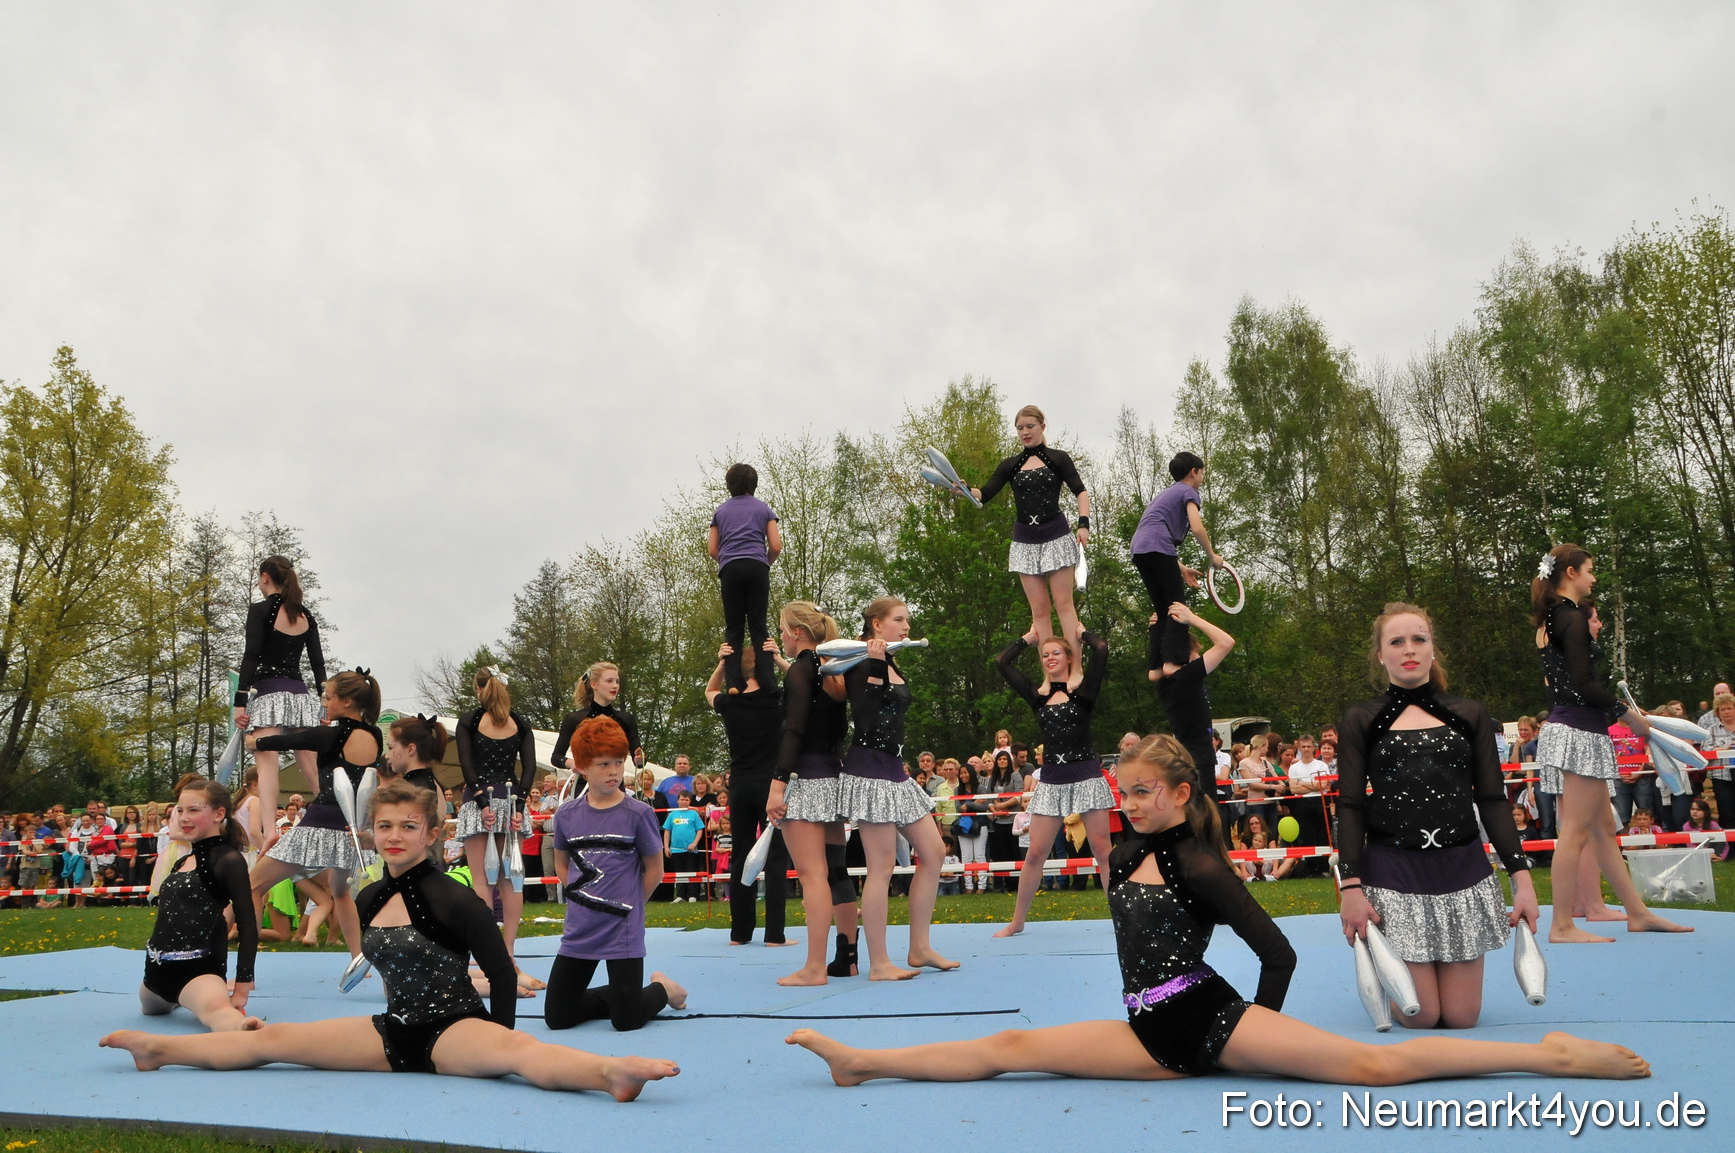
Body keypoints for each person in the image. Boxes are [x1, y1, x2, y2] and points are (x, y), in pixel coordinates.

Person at [785, 734, 1650, 1088]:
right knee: (1009, 1048)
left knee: (1365, 1068)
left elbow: (1276, 950)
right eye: (1122, 793)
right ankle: (861, 1059)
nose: (1126, 804)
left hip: (1202, 1023)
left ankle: (1547, 1055)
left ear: (1182, 791)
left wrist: (1249, 1033)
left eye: (1143, 793)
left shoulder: (1201, 861)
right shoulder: (1125, 851)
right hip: (1143, 1027)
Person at [101, 780, 682, 1100]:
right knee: (273, 1041)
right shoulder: (373, 895)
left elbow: (500, 972)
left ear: (431, 834)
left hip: (454, 1030)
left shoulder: (456, 898)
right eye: (385, 826)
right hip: (391, 1030)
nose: (395, 836)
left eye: (409, 827)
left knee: (526, 1057)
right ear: (370, 833)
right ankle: (160, 1052)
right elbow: (363, 951)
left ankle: (612, 1073)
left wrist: (497, 1036)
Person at [1335, 603, 1541, 1029]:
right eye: (1397, 641)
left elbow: (1491, 798)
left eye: (1419, 639)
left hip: (1462, 871)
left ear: (1433, 649)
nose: (1408, 649)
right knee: (1421, 1017)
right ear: (1381, 655)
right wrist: (1351, 888)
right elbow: (1351, 804)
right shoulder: (1361, 718)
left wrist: (1521, 880)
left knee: (1463, 1017)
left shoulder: (1470, 713)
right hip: (1394, 874)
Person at [1532, 545, 1689, 942]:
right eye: (1590, 571)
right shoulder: (1570, 618)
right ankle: (1563, 924)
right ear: (1570, 572)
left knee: (1603, 827)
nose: (1593, 577)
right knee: (1576, 833)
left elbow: (1563, 683)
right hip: (1579, 732)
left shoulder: (1552, 619)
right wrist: (1628, 714)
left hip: (1575, 728)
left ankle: (1637, 911)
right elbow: (1583, 684)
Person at [837, 596, 957, 979]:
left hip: (893, 769)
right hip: (869, 770)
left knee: (935, 852)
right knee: (882, 866)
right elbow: (866, 720)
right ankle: (879, 964)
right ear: (876, 624)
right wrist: (873, 664)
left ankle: (919, 947)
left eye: (907, 619)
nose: (906, 626)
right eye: (899, 620)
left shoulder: (890, 659)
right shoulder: (860, 661)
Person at [546, 716, 688, 1031]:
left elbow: (655, 869)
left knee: (626, 1021)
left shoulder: (638, 813)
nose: (613, 772)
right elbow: (561, 862)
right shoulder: (567, 815)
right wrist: (579, 897)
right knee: (558, 1018)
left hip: (622, 928)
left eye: (617, 763)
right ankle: (623, 995)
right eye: (603, 764)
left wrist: (632, 903)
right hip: (580, 928)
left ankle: (662, 989)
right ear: (581, 766)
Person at [246, 669, 384, 970]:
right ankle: (359, 959)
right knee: (341, 892)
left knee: (252, 887)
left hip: (320, 825)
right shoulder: (375, 735)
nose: (325, 702)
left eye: (330, 697)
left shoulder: (330, 734)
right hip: (351, 827)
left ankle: (246, 969)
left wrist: (254, 741)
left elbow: (288, 740)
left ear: (346, 702)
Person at [991, 628, 1115, 936]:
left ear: (1069, 658)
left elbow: (1101, 649)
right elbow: (1002, 662)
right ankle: (1018, 921)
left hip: (1086, 776)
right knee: (1035, 853)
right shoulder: (1038, 695)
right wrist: (1028, 639)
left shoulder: (1084, 692)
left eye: (1056, 653)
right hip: (1052, 781)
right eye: (1045, 655)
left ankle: (1121, 917)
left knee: (1102, 851)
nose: (1049, 658)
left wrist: (1082, 634)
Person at [765, 602, 863, 985]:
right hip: (834, 778)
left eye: (785, 631)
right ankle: (847, 958)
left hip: (805, 782)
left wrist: (777, 785)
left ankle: (814, 967)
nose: (783, 637)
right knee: (836, 871)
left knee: (812, 877)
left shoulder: (805, 670)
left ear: (799, 633)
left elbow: (794, 729)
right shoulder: (832, 670)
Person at [137, 775, 258, 1031]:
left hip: (197, 972)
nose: (184, 817)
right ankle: (182, 999)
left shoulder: (228, 860)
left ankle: (259, 1035)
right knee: (150, 1011)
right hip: (155, 975)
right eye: (180, 810)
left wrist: (242, 987)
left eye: (193, 810)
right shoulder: (182, 861)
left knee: (222, 1018)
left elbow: (247, 924)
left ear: (218, 814)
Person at [962, 405, 1091, 646]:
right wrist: (965, 490)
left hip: (1056, 535)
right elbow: (985, 493)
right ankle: (1049, 675)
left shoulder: (1058, 458)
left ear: (1042, 426)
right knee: (1039, 610)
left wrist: (1083, 525)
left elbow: (1080, 492)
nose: (1025, 432)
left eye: (1030, 426)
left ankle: (1075, 670)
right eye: (1020, 428)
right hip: (1025, 541)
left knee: (1064, 605)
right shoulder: (1009, 464)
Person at [233, 556, 326, 852]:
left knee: (267, 766)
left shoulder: (260, 610)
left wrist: (240, 700)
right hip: (300, 694)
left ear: (264, 578)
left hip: (269, 692)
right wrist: (324, 705)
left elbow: (251, 655)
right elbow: (317, 664)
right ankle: (339, 817)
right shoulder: (304, 615)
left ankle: (270, 830)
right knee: (311, 765)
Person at [455, 667, 542, 982]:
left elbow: (467, 763)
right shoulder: (519, 722)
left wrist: (480, 802)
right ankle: (508, 951)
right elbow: (529, 767)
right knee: (510, 881)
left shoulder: (471, 720)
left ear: (477, 688)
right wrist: (519, 805)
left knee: (482, 880)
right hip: (510, 797)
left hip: (480, 798)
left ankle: (487, 952)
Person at [705, 639, 793, 945]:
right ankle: (774, 935)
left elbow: (709, 692)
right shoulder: (777, 698)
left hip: (740, 785)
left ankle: (740, 933)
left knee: (741, 855)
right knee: (776, 858)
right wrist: (780, 658)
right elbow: (802, 683)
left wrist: (721, 663)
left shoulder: (730, 703)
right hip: (772, 785)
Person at [1149, 603, 1237, 849]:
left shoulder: (1171, 680)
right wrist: (1192, 618)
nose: (1200, 657)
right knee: (1207, 821)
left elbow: (1153, 672)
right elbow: (1226, 642)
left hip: (1192, 756)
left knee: (1198, 819)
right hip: (1197, 759)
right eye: (1196, 652)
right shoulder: (1186, 678)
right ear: (1184, 654)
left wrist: (1156, 631)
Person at [1130, 452, 1226, 674]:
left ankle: (1156, 666)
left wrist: (1180, 567)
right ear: (1194, 472)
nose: (1202, 478)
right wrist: (1213, 557)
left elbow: (1153, 532)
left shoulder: (1166, 494)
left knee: (1163, 609)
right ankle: (1174, 661)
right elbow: (1197, 527)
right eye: (1202, 473)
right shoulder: (1189, 492)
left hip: (1140, 549)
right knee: (1178, 606)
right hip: (1157, 546)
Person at [710, 462, 782, 694]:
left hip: (730, 568)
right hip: (757, 567)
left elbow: (713, 549)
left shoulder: (720, 512)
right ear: (755, 484)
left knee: (734, 628)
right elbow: (776, 546)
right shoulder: (764, 509)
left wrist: (728, 562)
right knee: (759, 626)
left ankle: (732, 683)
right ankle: (767, 682)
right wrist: (764, 563)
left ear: (729, 485)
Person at [553, 662, 645, 775]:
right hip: (585, 783)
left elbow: (639, 760)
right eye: (609, 681)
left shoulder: (626, 719)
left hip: (614, 782)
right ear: (594, 684)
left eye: (617, 681)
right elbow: (556, 757)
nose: (615, 685)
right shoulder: (575, 719)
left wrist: (640, 760)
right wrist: (571, 763)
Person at [1701, 693, 1735, 842]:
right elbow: (1706, 752)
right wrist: (1726, 749)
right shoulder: (1711, 730)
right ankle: (1730, 849)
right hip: (1722, 777)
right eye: (1723, 709)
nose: (1726, 712)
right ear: (1717, 712)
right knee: (1726, 812)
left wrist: (1718, 749)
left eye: (1729, 708)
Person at [385, 714, 448, 794]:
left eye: (390, 748)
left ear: (411, 749)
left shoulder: (414, 790)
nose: (387, 756)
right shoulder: (432, 784)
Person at [662, 793, 706, 902]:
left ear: (690, 801)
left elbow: (700, 830)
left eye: (686, 800)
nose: (684, 802)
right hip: (676, 850)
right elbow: (667, 831)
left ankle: (693, 895)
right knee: (679, 872)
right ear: (678, 800)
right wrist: (666, 847)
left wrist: (694, 843)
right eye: (682, 799)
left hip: (691, 850)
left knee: (692, 871)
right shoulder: (672, 814)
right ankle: (680, 895)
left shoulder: (694, 814)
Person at [1683, 797, 1730, 862]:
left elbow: (1724, 844)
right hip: (1698, 853)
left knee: (1719, 837)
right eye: (1692, 809)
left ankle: (1715, 858)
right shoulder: (1686, 826)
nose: (1695, 812)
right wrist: (1706, 854)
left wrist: (1721, 858)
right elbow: (1690, 845)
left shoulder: (1713, 825)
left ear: (1706, 813)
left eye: (1698, 810)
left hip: (1714, 851)